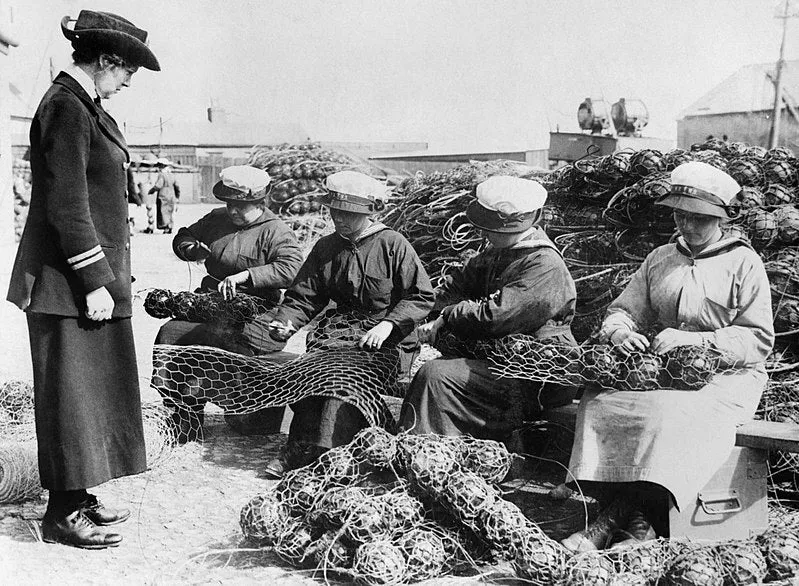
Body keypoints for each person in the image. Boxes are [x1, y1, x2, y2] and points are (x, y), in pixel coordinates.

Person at [6, 10, 160, 549]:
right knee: (68, 399)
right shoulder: (66, 108)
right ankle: (60, 514)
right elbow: (68, 206)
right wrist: (95, 279)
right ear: (106, 61)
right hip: (66, 284)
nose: (125, 84)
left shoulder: (83, 106)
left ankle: (77, 497)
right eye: (126, 74)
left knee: (88, 396)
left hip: (87, 282)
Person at [561, 161, 774, 552]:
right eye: (680, 216)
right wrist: (620, 331)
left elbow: (758, 339)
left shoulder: (744, 262)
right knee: (601, 402)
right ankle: (636, 522)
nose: (688, 227)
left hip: (728, 376)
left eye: (700, 220)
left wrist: (703, 341)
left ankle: (613, 522)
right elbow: (624, 309)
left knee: (669, 414)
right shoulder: (660, 258)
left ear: (721, 218)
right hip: (662, 371)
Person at [263, 170, 435, 478]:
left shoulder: (393, 245)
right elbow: (305, 296)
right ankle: (299, 446)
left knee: (338, 375)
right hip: (336, 334)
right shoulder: (326, 247)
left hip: (385, 342)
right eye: (335, 212)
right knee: (307, 370)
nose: (339, 219)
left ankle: (330, 454)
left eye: (349, 214)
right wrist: (286, 322)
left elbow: (421, 297)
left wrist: (389, 325)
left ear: (368, 212)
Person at [398, 176, 578, 441]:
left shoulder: (544, 264)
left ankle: (427, 447)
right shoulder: (500, 250)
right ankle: (431, 441)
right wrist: (413, 309)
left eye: (491, 229)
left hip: (538, 374)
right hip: (504, 360)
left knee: (437, 374)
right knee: (438, 372)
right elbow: (456, 287)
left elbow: (496, 316)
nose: (484, 234)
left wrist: (447, 316)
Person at [154, 165, 304, 439]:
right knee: (172, 332)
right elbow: (184, 234)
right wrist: (188, 248)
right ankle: (184, 413)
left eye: (241, 205)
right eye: (229, 204)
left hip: (257, 313)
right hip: (211, 304)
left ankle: (242, 410)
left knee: (222, 337)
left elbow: (292, 268)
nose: (233, 210)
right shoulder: (217, 219)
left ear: (259, 203)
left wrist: (248, 275)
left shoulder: (275, 231)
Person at [150, 157, 179, 234]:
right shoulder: (172, 175)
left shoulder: (162, 175)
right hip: (171, 196)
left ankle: (166, 227)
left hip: (163, 196)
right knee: (170, 211)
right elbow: (177, 186)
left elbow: (159, 185)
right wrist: (177, 196)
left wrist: (151, 190)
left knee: (163, 212)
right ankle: (170, 226)